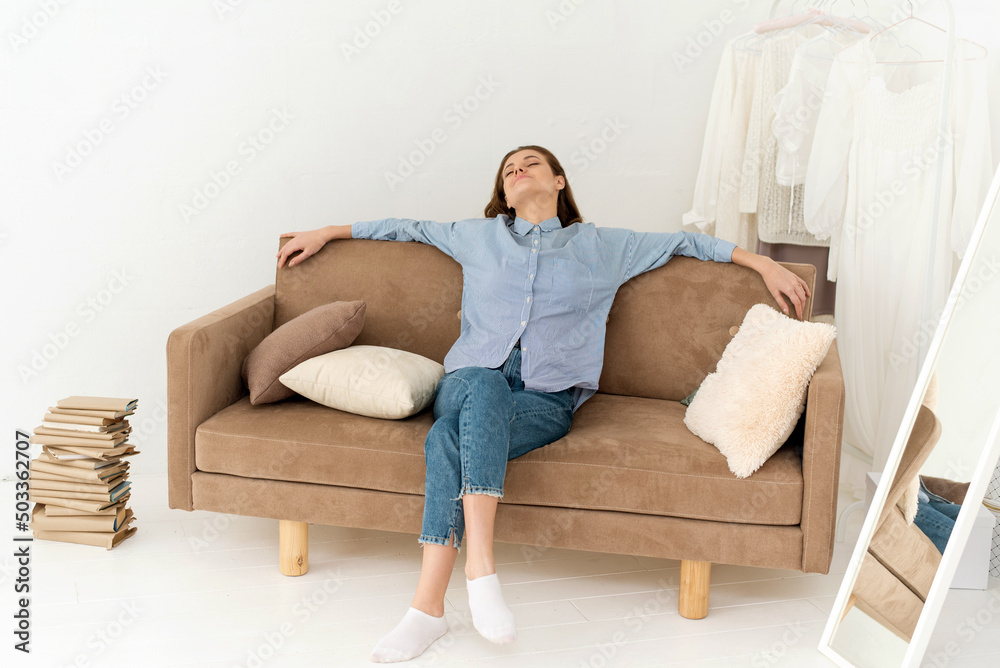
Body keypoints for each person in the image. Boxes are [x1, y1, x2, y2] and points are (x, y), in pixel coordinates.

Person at [276, 145, 811, 663]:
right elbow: (402, 228)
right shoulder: (476, 236)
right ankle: (481, 568)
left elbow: (685, 244)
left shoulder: (604, 247)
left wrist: (762, 262)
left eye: (531, 163)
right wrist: (327, 231)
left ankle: (427, 608)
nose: (518, 170)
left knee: (445, 439)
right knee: (483, 385)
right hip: (466, 381)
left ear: (559, 182)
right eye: (509, 169)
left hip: (546, 401)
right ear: (505, 197)